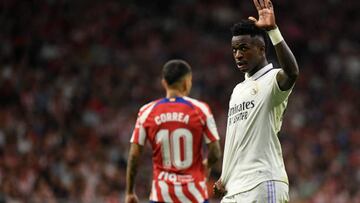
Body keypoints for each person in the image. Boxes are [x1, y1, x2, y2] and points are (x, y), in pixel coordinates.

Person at [213, 0, 299, 202]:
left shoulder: (273, 79)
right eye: (234, 50)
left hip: (263, 182)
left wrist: (273, 31)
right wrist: (225, 177)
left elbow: (292, 72)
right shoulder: (238, 90)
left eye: (243, 48)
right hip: (234, 188)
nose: (238, 55)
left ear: (261, 49)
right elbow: (238, 140)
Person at [125, 59, 222, 203]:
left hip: (162, 195)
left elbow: (134, 156)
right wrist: (206, 166)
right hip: (194, 195)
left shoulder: (146, 111)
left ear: (164, 82)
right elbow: (215, 152)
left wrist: (130, 192)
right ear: (187, 82)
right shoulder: (201, 110)